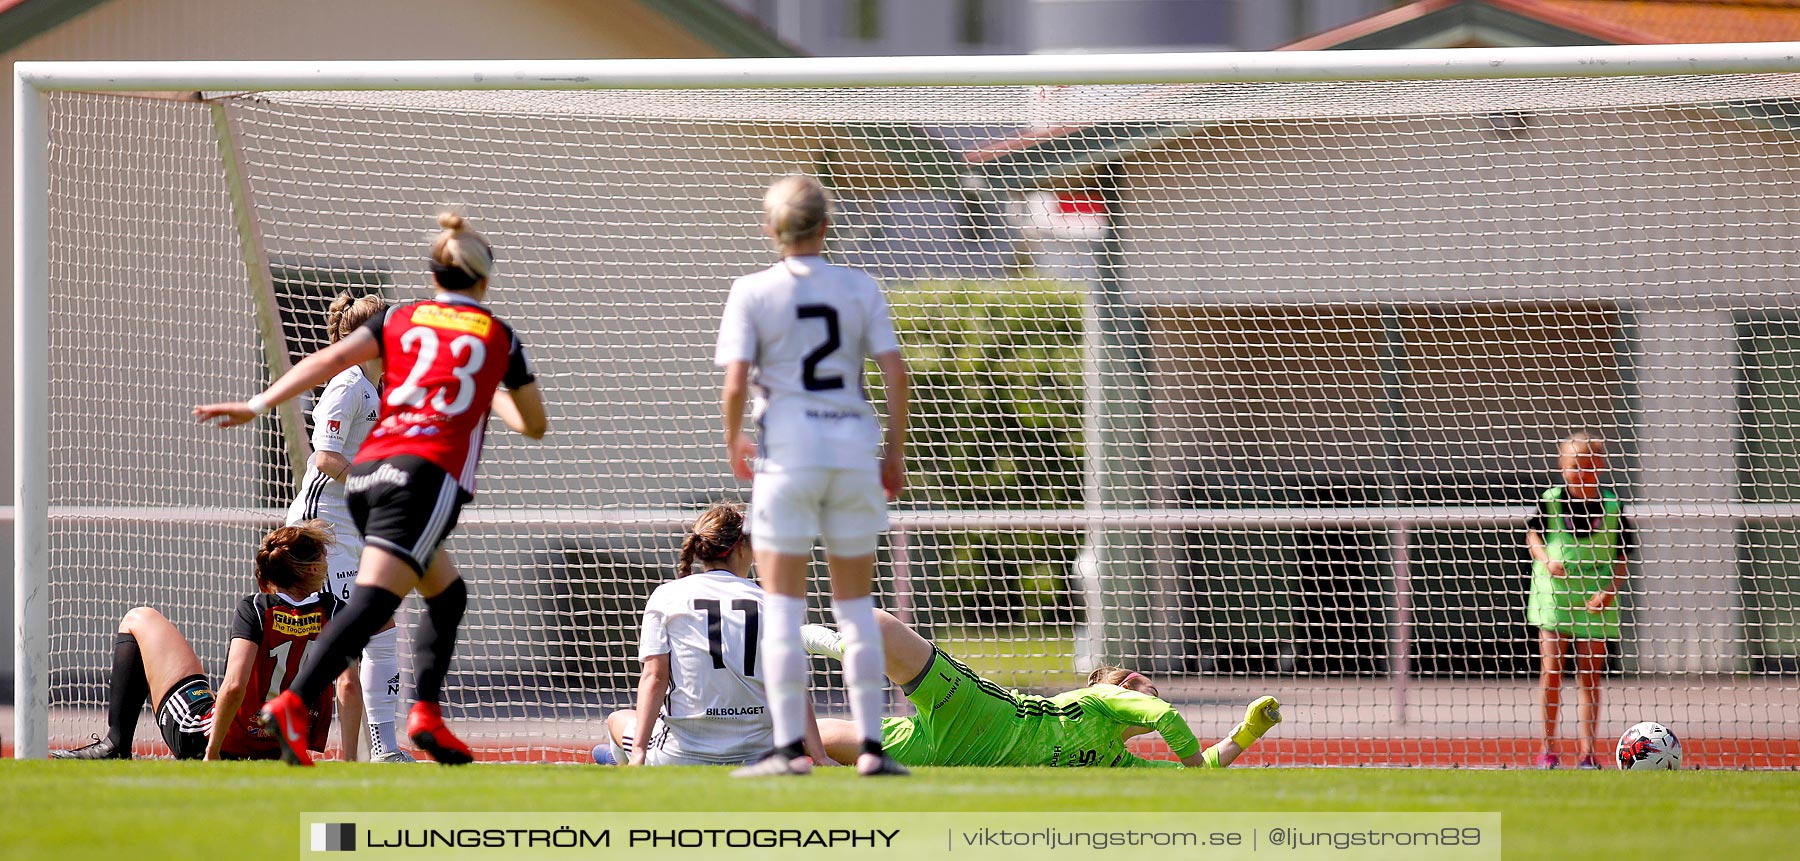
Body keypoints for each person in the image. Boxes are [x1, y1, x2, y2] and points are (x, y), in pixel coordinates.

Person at [195, 212, 548, 766]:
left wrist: (257, 404)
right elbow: (534, 424)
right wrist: (493, 393)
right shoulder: (497, 337)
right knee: (374, 606)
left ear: (434, 277)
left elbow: (325, 357)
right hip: (417, 479)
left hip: (372, 482)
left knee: (445, 595)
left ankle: (419, 717)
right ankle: (298, 701)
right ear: (484, 281)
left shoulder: (402, 320)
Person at [714, 175, 910, 777]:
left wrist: (734, 439)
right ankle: (873, 752)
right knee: (854, 606)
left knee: (781, 609)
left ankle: (786, 753)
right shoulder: (859, 287)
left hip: (789, 459)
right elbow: (896, 373)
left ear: (770, 230)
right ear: (826, 226)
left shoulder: (752, 291)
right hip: (852, 454)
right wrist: (893, 453)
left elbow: (735, 381)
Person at [802, 613, 1281, 768]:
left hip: (953, 754)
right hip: (981, 712)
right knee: (878, 624)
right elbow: (1168, 720)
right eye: (1146, 686)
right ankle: (834, 643)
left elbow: (1191, 773)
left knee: (818, 739)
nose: (1151, 693)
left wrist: (1246, 732)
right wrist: (1194, 762)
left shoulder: (1117, 762)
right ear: (1130, 686)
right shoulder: (1101, 699)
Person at [52, 523, 341, 761]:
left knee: (138, 618)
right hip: (277, 748)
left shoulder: (255, 607)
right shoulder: (335, 611)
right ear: (312, 569)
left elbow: (235, 685)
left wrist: (212, 752)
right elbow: (350, 685)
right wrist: (350, 757)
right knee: (219, 696)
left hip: (209, 740)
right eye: (323, 556)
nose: (328, 563)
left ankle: (115, 745)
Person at [284, 292, 414, 763]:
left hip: (353, 530)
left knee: (375, 632)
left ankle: (366, 756)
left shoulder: (378, 387)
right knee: (365, 633)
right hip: (322, 530)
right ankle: (368, 752)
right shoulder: (348, 383)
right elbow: (325, 457)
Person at [602, 504, 832, 766]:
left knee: (617, 719)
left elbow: (654, 677)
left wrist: (640, 753)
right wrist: (821, 756)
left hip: (680, 756)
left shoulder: (666, 596)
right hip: (759, 755)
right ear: (743, 548)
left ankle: (615, 761)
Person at [1526, 430, 1634, 770]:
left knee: (1589, 676)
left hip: (1595, 598)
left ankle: (1588, 753)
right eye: (1575, 465)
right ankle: (1548, 749)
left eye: (1589, 465)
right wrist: (1546, 560)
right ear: (1562, 466)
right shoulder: (1550, 499)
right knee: (1552, 671)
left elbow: (1622, 556)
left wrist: (1609, 592)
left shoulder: (1613, 506)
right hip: (1554, 595)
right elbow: (1533, 535)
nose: (1582, 471)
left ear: (1600, 466)